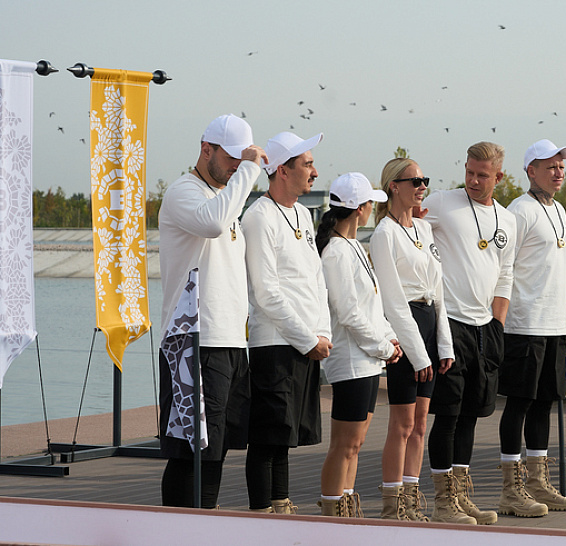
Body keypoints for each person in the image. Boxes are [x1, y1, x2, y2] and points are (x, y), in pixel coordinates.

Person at [157, 114, 266, 508]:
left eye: (244, 158)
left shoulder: (227, 199)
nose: (238, 165)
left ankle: (205, 524)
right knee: (190, 451)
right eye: (233, 157)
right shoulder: (183, 192)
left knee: (215, 449)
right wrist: (251, 169)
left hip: (230, 341)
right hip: (191, 341)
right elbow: (214, 224)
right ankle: (178, 531)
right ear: (206, 149)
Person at [423, 141, 517, 525]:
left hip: (486, 329)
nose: (474, 180)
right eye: (469, 171)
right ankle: (443, 502)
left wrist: (498, 323)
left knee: (471, 416)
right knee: (447, 415)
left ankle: (461, 496)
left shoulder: (508, 219)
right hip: (450, 325)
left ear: (499, 176)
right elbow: (403, 226)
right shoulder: (443, 202)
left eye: (483, 174)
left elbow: (506, 273)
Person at [242, 131, 332, 513]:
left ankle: (282, 505)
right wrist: (306, 338)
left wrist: (322, 332)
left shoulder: (302, 214)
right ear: (282, 170)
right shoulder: (259, 217)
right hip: (274, 343)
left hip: (304, 341)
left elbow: (315, 279)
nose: (314, 171)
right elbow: (267, 292)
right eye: (307, 163)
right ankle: (263, 516)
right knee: (267, 437)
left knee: (286, 438)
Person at [369, 157, 455, 521]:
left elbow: (438, 290)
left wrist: (444, 344)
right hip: (405, 329)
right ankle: (392, 505)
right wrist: (418, 355)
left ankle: (412, 496)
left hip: (429, 322)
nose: (422, 186)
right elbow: (391, 299)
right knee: (402, 424)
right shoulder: (384, 234)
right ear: (394, 187)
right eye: (415, 181)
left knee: (421, 423)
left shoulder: (423, 230)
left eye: (424, 180)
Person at [497, 139, 566, 517]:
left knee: (546, 402)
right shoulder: (519, 211)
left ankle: (537, 482)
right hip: (523, 324)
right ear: (530, 170)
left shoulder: (560, 209)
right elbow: (502, 267)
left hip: (554, 324)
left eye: (561, 166)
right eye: (550, 166)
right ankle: (511, 488)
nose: (558, 172)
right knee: (520, 403)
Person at [316, 173, 402, 517]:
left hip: (367, 360)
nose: (372, 210)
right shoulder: (336, 251)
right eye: (370, 204)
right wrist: (383, 346)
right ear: (360, 209)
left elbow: (371, 304)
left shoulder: (354, 246)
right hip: (351, 361)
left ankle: (346, 506)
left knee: (357, 443)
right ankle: (333, 513)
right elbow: (348, 312)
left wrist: (388, 338)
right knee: (344, 444)